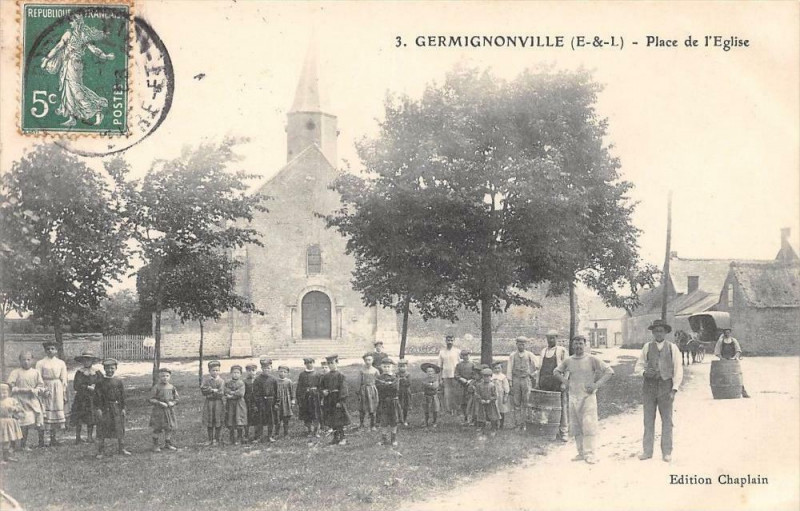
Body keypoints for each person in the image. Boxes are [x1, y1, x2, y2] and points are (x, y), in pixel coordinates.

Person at [39, 14, 114, 126]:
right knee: (69, 89)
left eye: (72, 21)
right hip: (75, 64)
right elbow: (94, 49)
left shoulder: (69, 34)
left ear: (77, 22)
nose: (70, 23)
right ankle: (72, 117)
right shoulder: (83, 34)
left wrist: (46, 59)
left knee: (74, 89)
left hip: (71, 64)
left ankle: (96, 108)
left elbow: (57, 47)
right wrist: (105, 56)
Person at [554, 336, 614, 465]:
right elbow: (556, 371)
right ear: (572, 346)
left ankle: (590, 454)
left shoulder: (592, 359)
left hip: (588, 397)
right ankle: (580, 453)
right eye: (575, 344)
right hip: (574, 397)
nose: (578, 346)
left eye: (581, 344)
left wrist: (596, 385)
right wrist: (566, 381)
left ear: (585, 345)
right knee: (576, 426)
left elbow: (609, 371)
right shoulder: (569, 360)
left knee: (589, 425)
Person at [634, 319, 683, 462]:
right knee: (648, 420)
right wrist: (644, 373)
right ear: (653, 333)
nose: (658, 333)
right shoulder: (647, 347)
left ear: (666, 332)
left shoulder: (672, 348)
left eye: (661, 331)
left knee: (667, 421)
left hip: (666, 387)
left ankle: (666, 452)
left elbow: (678, 369)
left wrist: (674, 389)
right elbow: (638, 366)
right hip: (649, 388)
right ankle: (647, 452)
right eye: (655, 331)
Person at [6, 351, 45, 450]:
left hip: (31, 399)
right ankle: (12, 445)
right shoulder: (15, 372)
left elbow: (40, 385)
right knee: (16, 422)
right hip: (19, 399)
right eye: (23, 360)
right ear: (20, 361)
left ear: (32, 360)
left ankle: (24, 445)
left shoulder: (35, 372)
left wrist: (36, 390)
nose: (26, 362)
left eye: (28, 360)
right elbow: (10, 385)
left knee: (29, 422)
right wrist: (18, 389)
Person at [538, 329, 570, 441]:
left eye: (553, 338)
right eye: (548, 338)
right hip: (545, 382)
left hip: (558, 382)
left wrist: (564, 382)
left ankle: (564, 431)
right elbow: (540, 368)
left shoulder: (561, 351)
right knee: (547, 407)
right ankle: (550, 430)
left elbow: (567, 368)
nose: (550, 340)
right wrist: (539, 381)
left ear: (557, 338)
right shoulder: (543, 351)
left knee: (561, 406)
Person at [95, 358, 130, 458]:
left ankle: (122, 448)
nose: (110, 370)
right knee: (102, 429)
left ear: (116, 368)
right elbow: (97, 396)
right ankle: (100, 451)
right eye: (107, 368)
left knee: (119, 428)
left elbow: (122, 396)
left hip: (116, 408)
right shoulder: (100, 382)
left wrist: (123, 408)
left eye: (112, 368)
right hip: (104, 408)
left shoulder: (118, 381)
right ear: (104, 369)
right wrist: (98, 408)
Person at [35, 340, 69, 447]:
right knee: (44, 411)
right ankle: (41, 440)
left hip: (57, 387)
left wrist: (63, 392)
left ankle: (53, 438)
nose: (50, 350)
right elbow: (38, 377)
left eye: (53, 348)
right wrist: (42, 390)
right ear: (45, 350)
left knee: (55, 412)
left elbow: (64, 378)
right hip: (45, 386)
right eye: (48, 349)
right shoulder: (40, 363)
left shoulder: (60, 363)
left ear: (56, 350)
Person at [506, 336, 539, 431]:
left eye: (523, 344)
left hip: (526, 380)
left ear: (526, 345)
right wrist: (510, 381)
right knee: (516, 402)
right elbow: (509, 369)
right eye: (519, 344)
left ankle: (524, 424)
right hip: (516, 380)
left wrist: (533, 374)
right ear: (516, 344)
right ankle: (517, 423)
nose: (521, 346)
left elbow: (538, 366)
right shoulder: (512, 355)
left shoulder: (529, 354)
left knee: (526, 402)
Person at [70, 350, 103, 444]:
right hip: (81, 398)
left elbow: (101, 382)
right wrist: (86, 387)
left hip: (92, 398)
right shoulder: (80, 372)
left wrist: (95, 387)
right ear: (82, 361)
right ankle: (78, 437)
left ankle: (89, 436)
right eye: (85, 360)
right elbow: (76, 385)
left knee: (91, 417)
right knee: (79, 417)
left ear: (92, 361)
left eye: (89, 360)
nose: (86, 362)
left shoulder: (97, 372)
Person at [320, 355, 351, 446]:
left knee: (339, 420)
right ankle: (335, 437)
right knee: (331, 419)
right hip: (329, 400)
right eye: (329, 363)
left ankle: (343, 437)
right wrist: (323, 391)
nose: (330, 365)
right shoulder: (325, 376)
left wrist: (340, 401)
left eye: (332, 363)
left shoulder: (341, 375)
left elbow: (344, 389)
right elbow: (321, 387)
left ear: (336, 363)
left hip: (337, 399)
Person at [714, 328, 751, 398]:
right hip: (723, 362)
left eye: (728, 332)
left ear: (730, 333)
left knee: (736, 377)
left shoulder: (734, 341)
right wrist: (722, 358)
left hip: (733, 362)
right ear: (724, 333)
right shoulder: (720, 341)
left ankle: (743, 392)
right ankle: (723, 393)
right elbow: (717, 352)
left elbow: (738, 350)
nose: (727, 334)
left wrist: (734, 357)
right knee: (723, 377)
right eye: (726, 333)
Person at [149, 368, 179, 452]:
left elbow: (177, 398)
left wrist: (173, 403)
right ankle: (156, 445)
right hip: (159, 411)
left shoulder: (172, 387)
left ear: (170, 376)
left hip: (169, 411)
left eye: (167, 376)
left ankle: (167, 443)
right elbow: (151, 399)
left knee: (169, 427)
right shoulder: (156, 387)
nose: (165, 378)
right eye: (162, 376)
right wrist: (159, 403)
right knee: (157, 428)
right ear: (159, 377)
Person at [375, 358, 402, 447]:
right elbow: (379, 387)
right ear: (381, 367)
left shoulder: (395, 377)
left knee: (394, 420)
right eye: (384, 366)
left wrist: (387, 385)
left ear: (392, 367)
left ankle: (393, 439)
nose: (386, 368)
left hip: (393, 401)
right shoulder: (379, 377)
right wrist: (388, 385)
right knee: (384, 420)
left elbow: (395, 388)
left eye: (388, 366)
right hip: (383, 402)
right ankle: (384, 439)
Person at [200, 360, 226, 446]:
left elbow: (221, 393)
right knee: (210, 420)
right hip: (209, 404)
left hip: (218, 404)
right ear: (209, 371)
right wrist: (212, 390)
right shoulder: (207, 381)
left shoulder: (221, 381)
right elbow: (203, 390)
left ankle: (217, 439)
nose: (215, 372)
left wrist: (211, 393)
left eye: (217, 370)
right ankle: (210, 439)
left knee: (218, 420)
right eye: (213, 370)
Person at [253, 357, 278, 443]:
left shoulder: (273, 379)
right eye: (264, 368)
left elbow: (276, 392)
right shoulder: (257, 379)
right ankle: (258, 436)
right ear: (261, 368)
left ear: (271, 368)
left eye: (268, 368)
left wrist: (276, 403)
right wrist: (256, 404)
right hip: (261, 402)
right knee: (259, 419)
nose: (266, 370)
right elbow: (255, 393)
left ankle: (270, 435)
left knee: (271, 419)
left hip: (270, 402)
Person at [296, 358, 322, 438]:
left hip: (315, 397)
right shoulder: (302, 375)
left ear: (313, 363)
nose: (309, 364)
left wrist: (318, 394)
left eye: (310, 362)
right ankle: (309, 430)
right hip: (305, 397)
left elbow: (321, 386)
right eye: (307, 363)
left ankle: (316, 430)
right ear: (305, 364)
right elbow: (299, 387)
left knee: (316, 414)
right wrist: (299, 397)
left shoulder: (318, 374)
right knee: (307, 414)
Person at [437, 335, 461, 415]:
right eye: (448, 340)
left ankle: (456, 409)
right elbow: (439, 366)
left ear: (453, 341)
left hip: (455, 375)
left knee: (456, 393)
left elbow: (460, 364)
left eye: (451, 340)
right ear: (445, 341)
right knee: (447, 394)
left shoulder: (457, 351)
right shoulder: (442, 352)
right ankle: (449, 410)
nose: (449, 342)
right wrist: (440, 378)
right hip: (445, 375)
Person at [224, 365, 247, 445]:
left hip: (239, 404)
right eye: (234, 373)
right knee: (231, 420)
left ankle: (239, 438)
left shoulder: (241, 383)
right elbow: (225, 391)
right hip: (230, 405)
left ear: (240, 374)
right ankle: (231, 438)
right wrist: (232, 393)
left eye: (237, 373)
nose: (235, 374)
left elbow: (241, 393)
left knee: (239, 420)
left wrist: (232, 394)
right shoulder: (228, 382)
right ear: (231, 373)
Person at [0, 384, 24, 463]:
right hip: (1, 422)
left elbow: (20, 410)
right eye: (0, 393)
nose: (2, 395)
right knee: (2, 440)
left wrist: (14, 409)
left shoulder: (12, 400)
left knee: (7, 439)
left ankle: (7, 456)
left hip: (9, 422)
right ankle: (2, 458)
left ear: (9, 392)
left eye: (4, 392)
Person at [474, 368, 501, 436]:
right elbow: (477, 394)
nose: (486, 378)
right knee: (482, 416)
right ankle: (482, 428)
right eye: (484, 376)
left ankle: (493, 428)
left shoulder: (492, 385)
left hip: (491, 404)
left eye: (488, 376)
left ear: (490, 377)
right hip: (482, 403)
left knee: (493, 416)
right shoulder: (479, 385)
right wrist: (480, 399)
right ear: (482, 377)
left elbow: (495, 395)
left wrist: (490, 399)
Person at [358, 354, 380, 430]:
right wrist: (359, 391)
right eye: (366, 360)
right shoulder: (362, 370)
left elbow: (378, 381)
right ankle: (361, 424)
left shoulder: (375, 370)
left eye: (369, 360)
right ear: (364, 361)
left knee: (372, 407)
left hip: (372, 390)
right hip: (364, 389)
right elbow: (359, 381)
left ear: (372, 360)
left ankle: (373, 425)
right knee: (362, 408)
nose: (368, 362)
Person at [454, 349, 476, 424]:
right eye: (464, 355)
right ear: (461, 356)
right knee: (462, 402)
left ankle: (471, 418)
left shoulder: (472, 364)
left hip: (470, 385)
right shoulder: (459, 365)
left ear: (469, 356)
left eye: (467, 355)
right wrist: (461, 378)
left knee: (470, 401)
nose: (465, 357)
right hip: (461, 385)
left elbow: (475, 375)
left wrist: (471, 380)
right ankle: (465, 417)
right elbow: (456, 374)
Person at [275, 366, 295, 438]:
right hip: (278, 402)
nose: (282, 373)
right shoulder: (275, 381)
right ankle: (276, 434)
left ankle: (286, 434)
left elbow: (292, 391)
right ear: (278, 372)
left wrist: (292, 400)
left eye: (284, 372)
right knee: (277, 419)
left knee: (286, 419)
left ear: (287, 373)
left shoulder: (289, 381)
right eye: (281, 371)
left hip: (286, 402)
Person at [420, 363, 441, 428]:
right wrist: (430, 385)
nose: (430, 373)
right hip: (426, 396)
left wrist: (429, 385)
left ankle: (434, 422)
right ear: (426, 372)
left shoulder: (436, 379)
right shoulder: (424, 379)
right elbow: (423, 385)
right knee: (426, 410)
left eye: (431, 371)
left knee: (435, 409)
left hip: (434, 396)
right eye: (428, 371)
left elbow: (435, 386)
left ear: (434, 372)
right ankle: (426, 422)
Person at [491, 361, 510, 429]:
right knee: (494, 409)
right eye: (495, 368)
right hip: (493, 395)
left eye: (499, 368)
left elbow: (506, 387)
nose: (497, 370)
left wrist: (506, 396)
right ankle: (494, 424)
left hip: (501, 395)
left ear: (501, 368)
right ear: (493, 369)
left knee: (501, 409)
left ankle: (501, 424)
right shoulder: (491, 376)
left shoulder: (503, 377)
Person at [243, 363, 259, 442]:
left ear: (256, 371)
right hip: (247, 402)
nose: (251, 372)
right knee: (247, 419)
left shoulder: (258, 380)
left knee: (256, 419)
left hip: (256, 402)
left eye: (253, 370)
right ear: (246, 371)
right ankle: (246, 435)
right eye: (249, 371)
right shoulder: (244, 381)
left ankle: (256, 436)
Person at [397, 360, 412, 426]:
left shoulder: (408, 374)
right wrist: (400, 380)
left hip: (406, 392)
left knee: (406, 406)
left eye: (404, 366)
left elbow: (408, 383)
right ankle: (399, 420)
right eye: (400, 366)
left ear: (406, 367)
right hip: (399, 392)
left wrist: (402, 380)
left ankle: (405, 419)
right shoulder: (396, 374)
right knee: (398, 406)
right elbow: (396, 383)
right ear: (398, 367)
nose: (402, 368)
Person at [319, 359, 331, 434]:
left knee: (331, 411)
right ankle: (323, 426)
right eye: (323, 367)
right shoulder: (321, 377)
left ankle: (331, 426)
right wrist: (322, 392)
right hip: (323, 396)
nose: (324, 369)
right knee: (323, 411)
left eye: (326, 367)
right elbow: (319, 386)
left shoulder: (331, 375)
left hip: (331, 396)